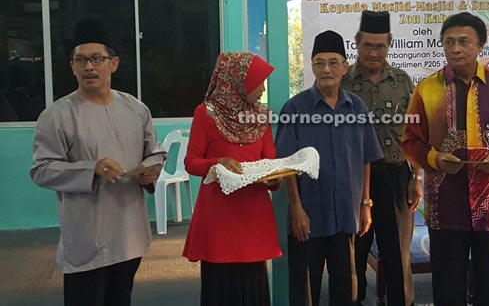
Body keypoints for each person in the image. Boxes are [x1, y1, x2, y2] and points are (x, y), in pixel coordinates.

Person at [401, 12, 489, 306]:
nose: (456, 48)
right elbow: (409, 139)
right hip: (444, 202)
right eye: (449, 42)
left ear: (480, 46)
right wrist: (434, 158)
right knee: (447, 290)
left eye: (464, 42)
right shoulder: (426, 89)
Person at [30, 19, 167, 306]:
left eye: (96, 59)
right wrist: (91, 168)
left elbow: (153, 152)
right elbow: (41, 170)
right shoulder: (57, 115)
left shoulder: (135, 109)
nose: (89, 67)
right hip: (87, 233)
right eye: (80, 60)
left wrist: (150, 172)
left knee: (121, 300)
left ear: (113, 63)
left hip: (128, 230)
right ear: (72, 67)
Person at [275, 30, 383, 306]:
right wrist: (297, 209)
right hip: (308, 215)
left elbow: (365, 158)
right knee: (305, 288)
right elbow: (288, 165)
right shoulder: (295, 108)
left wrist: (365, 204)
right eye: (319, 62)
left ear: (344, 67)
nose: (326, 69)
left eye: (333, 62)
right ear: (312, 67)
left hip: (345, 213)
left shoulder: (357, 108)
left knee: (345, 286)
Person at [182, 51, 282, 306]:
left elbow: (270, 160)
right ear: (238, 81)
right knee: (221, 287)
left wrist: (274, 178)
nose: (261, 89)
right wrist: (218, 163)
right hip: (219, 216)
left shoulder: (261, 116)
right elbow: (191, 163)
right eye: (258, 82)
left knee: (253, 286)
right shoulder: (206, 114)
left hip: (253, 215)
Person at [342, 10, 420, 306]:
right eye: (367, 45)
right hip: (354, 180)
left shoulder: (402, 81)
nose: (373, 52)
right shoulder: (344, 81)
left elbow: (415, 133)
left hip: (396, 176)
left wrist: (417, 177)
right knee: (354, 254)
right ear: (357, 43)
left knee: (397, 253)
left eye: (380, 46)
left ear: (389, 44)